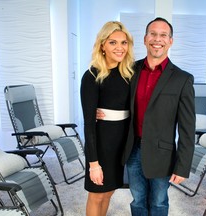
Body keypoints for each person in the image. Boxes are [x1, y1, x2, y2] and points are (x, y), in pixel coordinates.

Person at [98, 17, 196, 216]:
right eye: (152, 34)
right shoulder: (129, 70)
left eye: (163, 35)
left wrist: (183, 165)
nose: (157, 39)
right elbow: (113, 95)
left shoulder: (182, 79)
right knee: (138, 200)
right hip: (133, 148)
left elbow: (187, 128)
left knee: (159, 202)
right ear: (144, 39)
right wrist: (97, 109)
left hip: (163, 153)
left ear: (170, 41)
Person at [80, 21, 135, 216]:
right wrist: (93, 163)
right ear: (102, 45)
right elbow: (88, 124)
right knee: (97, 194)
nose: (120, 48)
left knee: (109, 191)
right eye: (113, 42)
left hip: (121, 145)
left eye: (124, 42)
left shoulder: (130, 73)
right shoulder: (92, 75)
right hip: (101, 144)